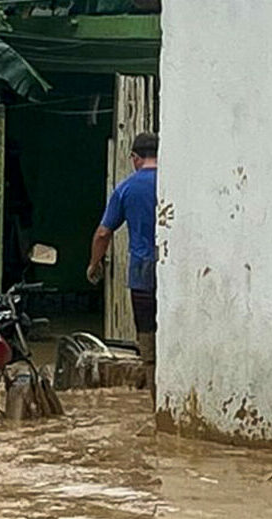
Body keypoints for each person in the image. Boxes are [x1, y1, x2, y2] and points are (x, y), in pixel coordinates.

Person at [88, 131, 158, 402]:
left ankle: (155, 403)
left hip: (142, 273)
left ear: (134, 158)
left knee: (148, 341)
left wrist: (94, 264)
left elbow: (103, 234)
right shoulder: (174, 184)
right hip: (174, 272)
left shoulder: (126, 188)